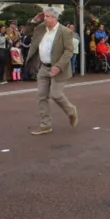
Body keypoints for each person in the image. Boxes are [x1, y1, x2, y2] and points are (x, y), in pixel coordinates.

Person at [23, 7, 78, 135]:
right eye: (44, 16)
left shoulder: (64, 31)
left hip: (58, 68)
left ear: (54, 18)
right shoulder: (41, 28)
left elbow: (69, 51)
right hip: (43, 67)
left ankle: (71, 111)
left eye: (47, 16)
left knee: (56, 94)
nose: (44, 18)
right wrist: (34, 20)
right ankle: (45, 125)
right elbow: (27, 32)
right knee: (42, 96)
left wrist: (58, 66)